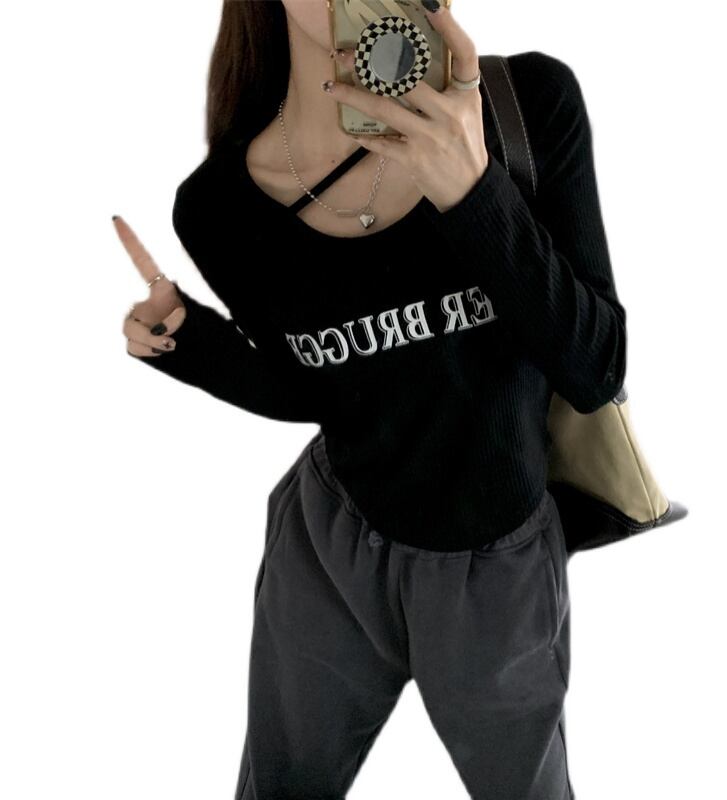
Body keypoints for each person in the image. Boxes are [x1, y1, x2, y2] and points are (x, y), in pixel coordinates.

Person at [117, 1, 627, 797]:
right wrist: (190, 342)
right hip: (330, 552)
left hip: (496, 568)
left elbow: (596, 368)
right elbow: (323, 389)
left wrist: (474, 194)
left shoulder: (524, 108)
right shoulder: (219, 208)